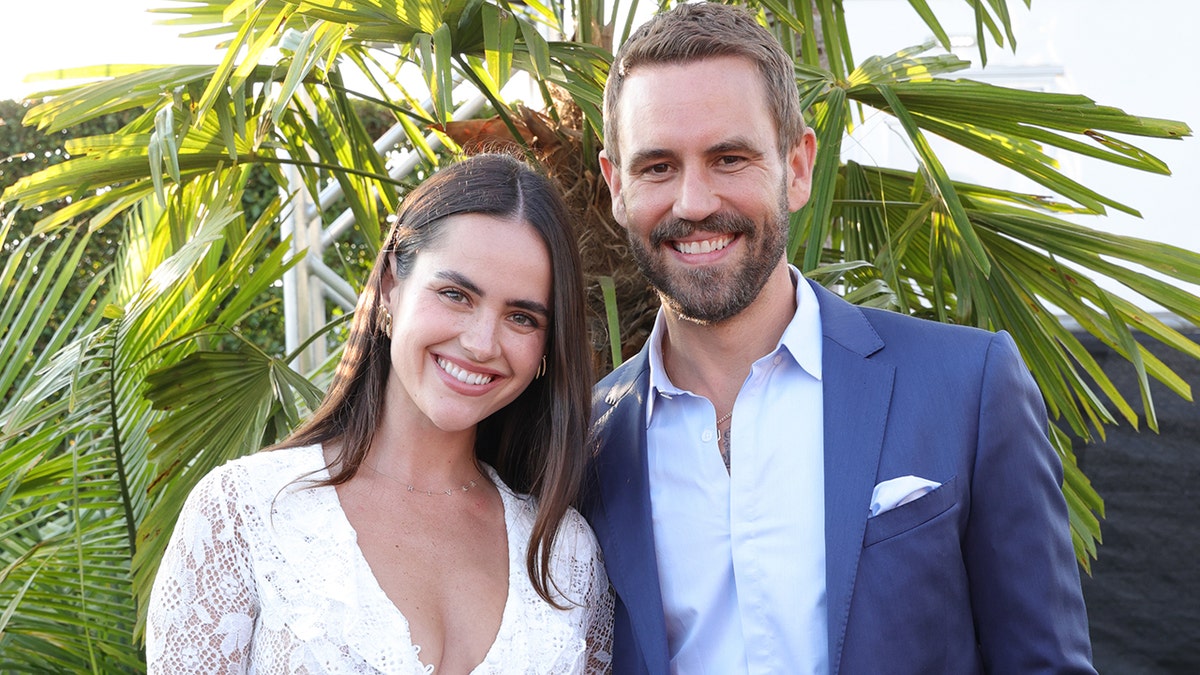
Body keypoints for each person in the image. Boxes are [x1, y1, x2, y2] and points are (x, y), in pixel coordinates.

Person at [583, 3, 1096, 673]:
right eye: (657, 167)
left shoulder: (967, 386)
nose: (694, 202)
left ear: (798, 167)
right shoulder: (581, 443)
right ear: (616, 185)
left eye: (729, 158)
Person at [147, 153, 614, 674]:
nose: (482, 344)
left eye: (522, 317)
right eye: (455, 294)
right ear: (391, 287)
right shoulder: (246, 513)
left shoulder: (566, 555)